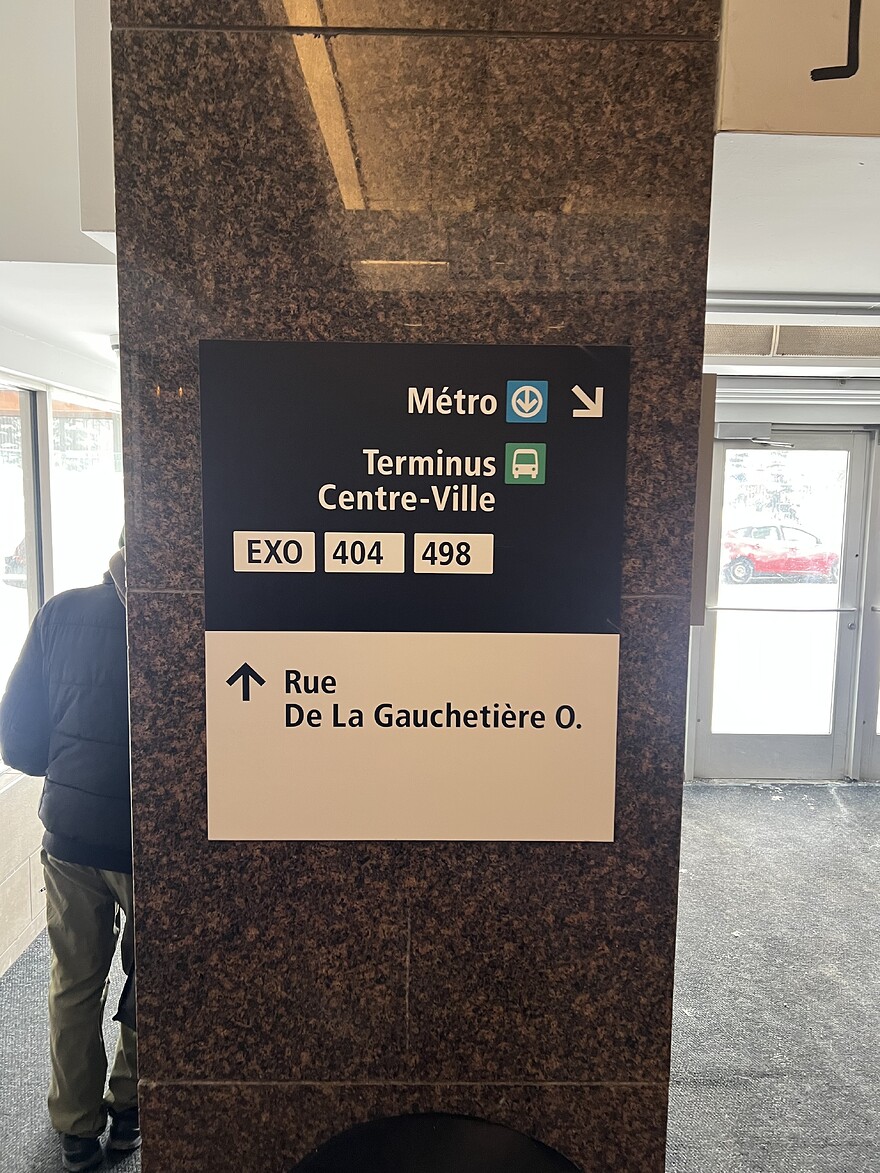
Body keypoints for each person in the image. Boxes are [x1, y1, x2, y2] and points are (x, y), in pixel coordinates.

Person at [0, 546, 139, 1172]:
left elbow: (20, 741)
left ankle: (77, 1128)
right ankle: (131, 1108)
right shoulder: (190, 617)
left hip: (73, 839)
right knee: (155, 980)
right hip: (154, 842)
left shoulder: (59, 614)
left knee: (74, 980)